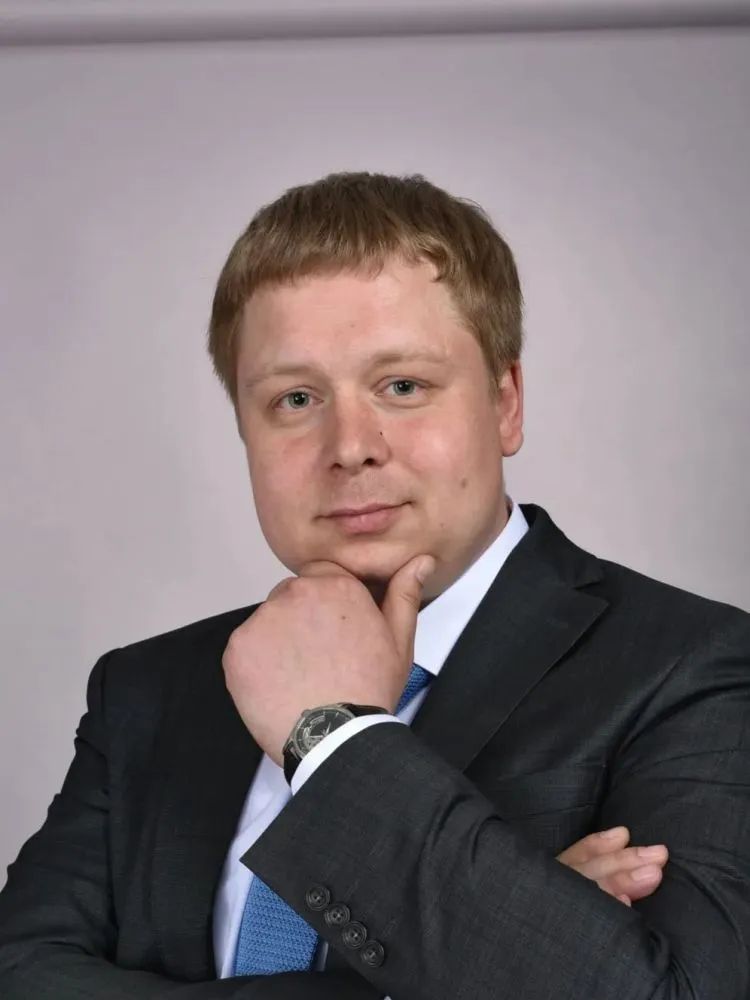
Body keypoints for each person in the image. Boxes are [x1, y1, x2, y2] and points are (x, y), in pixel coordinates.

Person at [0, 171, 747, 1000]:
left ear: (505, 402)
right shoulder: (147, 691)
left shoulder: (694, 669)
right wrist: (462, 968)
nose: (350, 445)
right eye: (295, 398)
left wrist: (330, 740)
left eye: (402, 387)